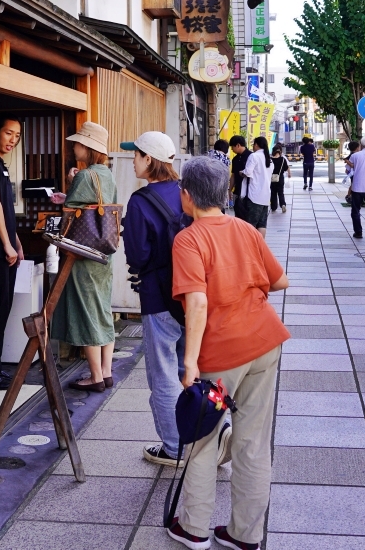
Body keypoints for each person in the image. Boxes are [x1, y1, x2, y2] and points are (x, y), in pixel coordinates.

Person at [165, 156, 290, 550]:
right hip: (265, 344)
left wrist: (189, 364)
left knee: (204, 440)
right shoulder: (245, 228)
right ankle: (245, 535)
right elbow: (280, 280)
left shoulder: (188, 239)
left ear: (187, 196)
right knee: (253, 442)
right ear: (226, 192)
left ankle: (194, 528)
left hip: (221, 359)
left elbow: (197, 304)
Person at [120, 131, 188, 466]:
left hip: (158, 297)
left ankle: (175, 448)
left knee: (162, 374)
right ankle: (209, 438)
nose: (133, 160)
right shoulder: (187, 194)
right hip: (193, 297)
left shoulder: (141, 201)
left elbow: (137, 255)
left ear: (150, 159)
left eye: (136, 155)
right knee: (191, 370)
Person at [51, 121, 118, 393]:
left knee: (86, 311)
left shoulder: (84, 175)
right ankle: (106, 371)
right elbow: (96, 207)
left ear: (88, 148)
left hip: (83, 253)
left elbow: (71, 212)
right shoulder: (107, 174)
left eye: (78, 143)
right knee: (102, 309)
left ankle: (94, 376)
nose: (74, 146)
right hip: (104, 251)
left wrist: (70, 184)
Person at [0, 115, 24, 390]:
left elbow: (7, 211)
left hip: (7, 249)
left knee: (4, 309)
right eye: (8, 133)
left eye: (17, 136)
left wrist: (17, 241)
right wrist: (7, 245)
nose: (12, 140)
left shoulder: (1, 163)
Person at [236, 136, 271, 237]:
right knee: (262, 224)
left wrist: (241, 173)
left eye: (253, 145)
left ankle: (251, 247)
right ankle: (261, 247)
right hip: (265, 196)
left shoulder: (254, 156)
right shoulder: (268, 158)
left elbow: (248, 172)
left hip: (254, 196)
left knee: (251, 224)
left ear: (256, 145)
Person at [228, 135, 248, 213]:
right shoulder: (235, 159)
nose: (232, 149)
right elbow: (233, 175)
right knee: (238, 214)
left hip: (248, 193)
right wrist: (230, 190)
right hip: (237, 191)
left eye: (232, 147)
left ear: (238, 145)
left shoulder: (251, 156)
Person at [269, 145, 290, 213]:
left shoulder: (270, 160)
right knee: (281, 192)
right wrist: (289, 173)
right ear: (279, 152)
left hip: (272, 178)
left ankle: (274, 207)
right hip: (280, 178)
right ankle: (283, 204)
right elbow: (286, 168)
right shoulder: (283, 159)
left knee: (273, 193)